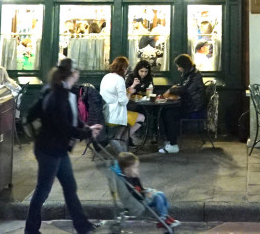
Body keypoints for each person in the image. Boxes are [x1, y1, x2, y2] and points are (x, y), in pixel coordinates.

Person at [25, 58, 102, 234]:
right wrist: (87, 133)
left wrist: (87, 128)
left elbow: (72, 118)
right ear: (73, 74)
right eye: (77, 72)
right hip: (49, 150)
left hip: (56, 149)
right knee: (43, 190)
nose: (79, 75)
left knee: (69, 187)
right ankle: (31, 230)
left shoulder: (59, 91)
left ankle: (83, 226)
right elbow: (64, 127)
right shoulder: (58, 95)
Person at [115, 151, 180, 228]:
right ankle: (163, 219)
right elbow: (133, 195)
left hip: (142, 198)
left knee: (160, 194)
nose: (138, 170)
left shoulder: (134, 177)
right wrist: (147, 195)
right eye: (135, 167)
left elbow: (140, 189)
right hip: (138, 203)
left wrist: (146, 191)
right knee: (158, 197)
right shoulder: (126, 182)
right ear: (127, 170)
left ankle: (165, 215)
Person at [158, 54, 206, 155]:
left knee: (169, 114)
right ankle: (169, 140)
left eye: (179, 66)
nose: (178, 69)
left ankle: (173, 145)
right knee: (164, 111)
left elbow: (185, 89)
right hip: (190, 104)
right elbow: (184, 87)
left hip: (194, 108)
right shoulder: (191, 73)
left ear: (184, 66)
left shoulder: (195, 76)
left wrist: (171, 90)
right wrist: (174, 88)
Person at [100, 56, 144, 144]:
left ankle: (119, 138)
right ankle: (123, 139)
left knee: (130, 118)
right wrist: (130, 93)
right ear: (123, 68)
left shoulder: (106, 76)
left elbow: (115, 93)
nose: (126, 70)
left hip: (104, 113)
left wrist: (129, 89)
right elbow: (123, 102)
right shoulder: (119, 79)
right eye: (126, 68)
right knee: (142, 117)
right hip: (115, 116)